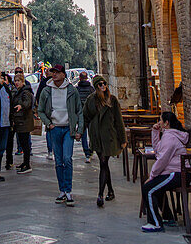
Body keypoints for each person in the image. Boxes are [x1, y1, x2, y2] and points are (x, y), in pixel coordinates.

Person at [37, 63, 83, 206]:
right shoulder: (46, 91)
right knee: (58, 160)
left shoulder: (71, 91)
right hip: (55, 129)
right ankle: (62, 190)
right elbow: (40, 110)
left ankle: (68, 190)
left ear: (63, 74)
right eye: (53, 72)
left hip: (68, 129)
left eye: (57, 72)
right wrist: (48, 123)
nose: (55, 74)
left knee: (67, 158)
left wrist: (79, 130)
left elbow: (79, 111)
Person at [141, 111, 189, 232]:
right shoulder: (169, 135)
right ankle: (168, 217)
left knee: (148, 188)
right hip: (177, 173)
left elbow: (162, 159)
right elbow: (158, 150)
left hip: (176, 174)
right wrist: (155, 132)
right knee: (157, 187)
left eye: (161, 120)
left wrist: (152, 176)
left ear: (166, 123)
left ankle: (155, 223)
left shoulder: (170, 137)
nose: (159, 122)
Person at [83, 75, 126, 207]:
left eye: (104, 84)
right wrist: (79, 132)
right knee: (104, 164)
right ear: (96, 87)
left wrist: (123, 139)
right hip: (97, 137)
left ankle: (100, 194)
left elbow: (119, 121)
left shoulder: (112, 100)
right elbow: (85, 117)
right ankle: (111, 191)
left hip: (109, 137)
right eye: (100, 84)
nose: (103, 86)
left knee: (103, 162)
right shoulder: (91, 101)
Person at [10, 70, 34, 173]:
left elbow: (27, 103)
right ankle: (25, 162)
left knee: (25, 144)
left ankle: (27, 164)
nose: (16, 82)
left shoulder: (25, 92)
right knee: (22, 142)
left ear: (22, 81)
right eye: (15, 81)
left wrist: (21, 106)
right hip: (19, 121)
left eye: (18, 80)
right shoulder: (17, 92)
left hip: (24, 121)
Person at [75, 71, 94, 162]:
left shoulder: (77, 89)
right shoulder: (91, 89)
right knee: (92, 133)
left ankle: (86, 153)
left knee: (83, 134)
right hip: (90, 114)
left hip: (81, 115)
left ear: (79, 78)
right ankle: (91, 151)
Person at [35, 68, 53, 160]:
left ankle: (50, 151)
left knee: (49, 130)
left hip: (46, 109)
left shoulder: (43, 83)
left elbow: (38, 96)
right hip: (55, 109)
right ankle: (54, 149)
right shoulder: (56, 82)